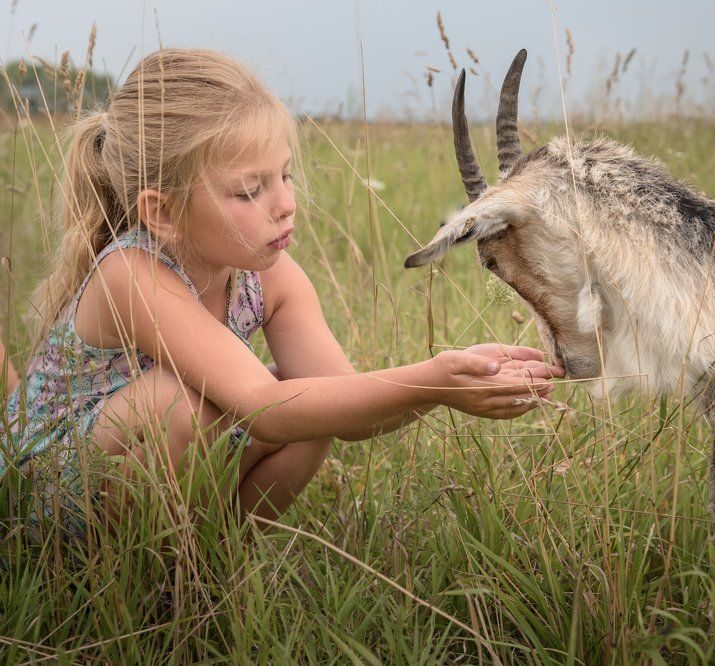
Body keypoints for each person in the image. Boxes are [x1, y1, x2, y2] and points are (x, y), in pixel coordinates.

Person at [1, 49, 562, 534]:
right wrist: (430, 379)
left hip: (140, 475)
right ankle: (141, 582)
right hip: (46, 493)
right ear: (163, 213)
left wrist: (444, 382)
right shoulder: (132, 273)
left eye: (285, 176)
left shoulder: (269, 276)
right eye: (250, 190)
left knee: (316, 407)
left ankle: (209, 563)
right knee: (182, 403)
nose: (285, 204)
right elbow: (261, 410)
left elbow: (352, 415)